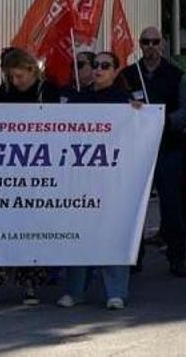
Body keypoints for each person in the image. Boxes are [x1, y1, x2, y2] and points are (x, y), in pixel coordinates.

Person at [0, 49, 56, 309]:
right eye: (11, 77)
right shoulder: (0, 94)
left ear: (32, 70)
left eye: (19, 76)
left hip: (37, 174)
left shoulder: (50, 93)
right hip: (4, 174)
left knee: (31, 229)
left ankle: (29, 282)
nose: (15, 82)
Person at [59, 51, 142, 309]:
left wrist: (139, 113)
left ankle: (115, 291)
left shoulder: (124, 100)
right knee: (78, 233)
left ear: (116, 71)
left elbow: (139, 132)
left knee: (112, 232)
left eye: (106, 65)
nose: (98, 69)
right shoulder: (77, 98)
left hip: (113, 179)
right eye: (95, 65)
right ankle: (75, 291)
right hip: (82, 178)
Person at [121, 27, 186, 278]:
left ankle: (176, 258)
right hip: (137, 151)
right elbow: (120, 108)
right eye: (146, 42)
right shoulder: (129, 75)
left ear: (162, 45)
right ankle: (134, 257)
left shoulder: (175, 75)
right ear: (140, 45)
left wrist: (163, 121)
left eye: (155, 41)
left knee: (173, 206)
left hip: (168, 148)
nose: (151, 46)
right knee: (135, 207)